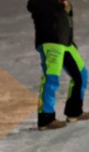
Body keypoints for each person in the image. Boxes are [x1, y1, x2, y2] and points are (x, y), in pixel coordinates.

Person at [28, 0, 89, 130]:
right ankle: (46, 118)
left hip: (65, 43)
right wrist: (60, 5)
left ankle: (74, 112)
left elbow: (63, 21)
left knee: (82, 75)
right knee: (51, 79)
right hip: (50, 41)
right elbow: (34, 5)